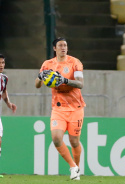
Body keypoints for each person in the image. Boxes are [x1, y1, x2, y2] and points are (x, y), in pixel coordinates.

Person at [35, 37, 85, 180]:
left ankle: (77, 167)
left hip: (76, 108)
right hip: (58, 108)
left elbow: (80, 84)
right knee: (56, 138)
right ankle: (72, 167)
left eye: (65, 45)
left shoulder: (75, 62)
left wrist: (64, 80)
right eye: (60, 45)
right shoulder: (47, 64)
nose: (63, 47)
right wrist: (40, 76)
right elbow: (37, 85)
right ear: (54, 48)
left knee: (74, 141)